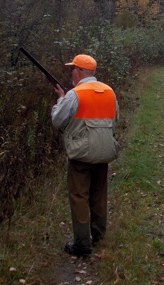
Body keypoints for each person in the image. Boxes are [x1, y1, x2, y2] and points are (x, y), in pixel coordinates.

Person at [51, 54, 119, 256]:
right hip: (104, 151)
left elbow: (57, 120)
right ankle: (99, 237)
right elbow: (115, 119)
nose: (71, 72)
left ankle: (82, 245)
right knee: (98, 195)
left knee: (79, 197)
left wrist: (60, 100)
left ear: (79, 71)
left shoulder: (74, 94)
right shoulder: (110, 92)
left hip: (81, 154)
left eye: (72, 69)